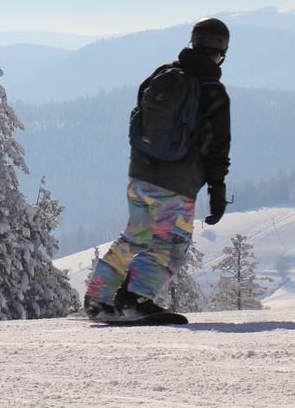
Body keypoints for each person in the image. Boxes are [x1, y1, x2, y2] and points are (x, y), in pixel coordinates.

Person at [84, 16, 232, 319]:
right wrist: (218, 188)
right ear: (221, 52)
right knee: (170, 243)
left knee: (135, 237)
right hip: (176, 183)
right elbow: (217, 146)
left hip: (140, 174)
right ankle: (135, 300)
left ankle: (98, 296)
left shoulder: (163, 74)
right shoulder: (211, 90)